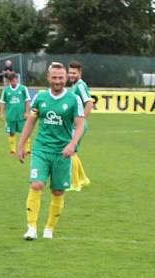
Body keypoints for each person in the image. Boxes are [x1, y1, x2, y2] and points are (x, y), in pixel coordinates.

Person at [17, 62, 85, 241]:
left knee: (57, 192)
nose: (57, 81)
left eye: (61, 78)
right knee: (36, 184)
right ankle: (31, 228)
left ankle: (49, 229)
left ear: (66, 79)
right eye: (54, 77)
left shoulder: (73, 99)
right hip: (41, 149)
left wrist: (72, 144)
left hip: (62, 152)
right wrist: (21, 144)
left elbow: (80, 125)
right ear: (48, 78)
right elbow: (30, 122)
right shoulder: (40, 98)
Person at [67, 60, 93, 191]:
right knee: (73, 152)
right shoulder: (75, 85)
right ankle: (83, 179)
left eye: (74, 73)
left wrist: (81, 121)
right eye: (70, 72)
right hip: (75, 124)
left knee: (70, 152)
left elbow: (89, 103)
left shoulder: (80, 86)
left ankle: (74, 184)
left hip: (77, 125)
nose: (71, 75)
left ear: (80, 73)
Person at [0, 72, 31, 155]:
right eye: (11, 80)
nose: (13, 81)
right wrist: (2, 113)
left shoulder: (23, 89)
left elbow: (27, 100)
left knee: (25, 131)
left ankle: (27, 149)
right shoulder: (6, 90)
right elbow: (2, 102)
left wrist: (27, 112)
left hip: (21, 116)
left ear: (17, 79)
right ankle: (12, 149)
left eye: (15, 79)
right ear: (10, 81)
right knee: (11, 132)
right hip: (10, 116)